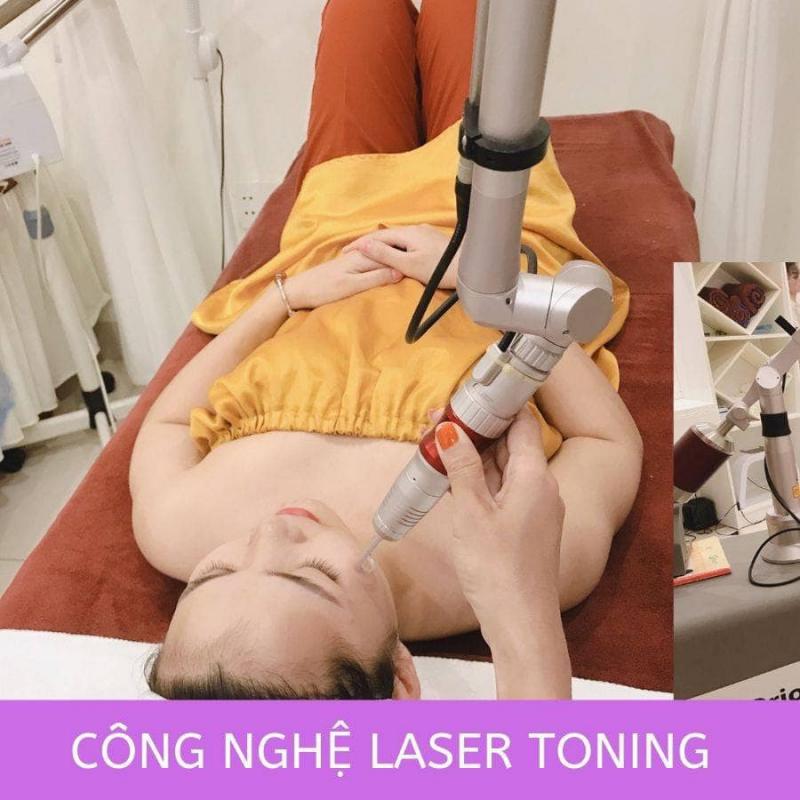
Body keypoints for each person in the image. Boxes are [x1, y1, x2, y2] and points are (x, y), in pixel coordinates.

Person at [130, 0, 643, 700]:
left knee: (358, 11)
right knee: (483, 26)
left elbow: (165, 419)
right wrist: (495, 288)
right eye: (311, 575)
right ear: (402, 674)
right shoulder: (520, 565)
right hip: (489, 234)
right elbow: (608, 443)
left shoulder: (173, 529)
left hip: (341, 238)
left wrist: (285, 295)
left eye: (213, 574)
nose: (273, 531)